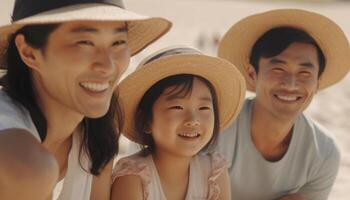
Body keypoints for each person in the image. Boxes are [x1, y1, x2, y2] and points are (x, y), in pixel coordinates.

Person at [0, 0, 171, 199]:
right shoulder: (24, 164)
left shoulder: (97, 131)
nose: (107, 66)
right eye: (84, 43)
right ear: (29, 52)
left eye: (118, 42)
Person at [217, 9, 350, 200]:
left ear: (318, 83)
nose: (291, 84)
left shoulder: (324, 153)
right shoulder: (216, 130)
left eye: (305, 73)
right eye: (278, 69)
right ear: (253, 75)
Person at [111, 46, 246, 200]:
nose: (193, 120)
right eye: (177, 107)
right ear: (146, 120)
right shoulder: (133, 177)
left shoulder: (214, 172)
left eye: (204, 108)